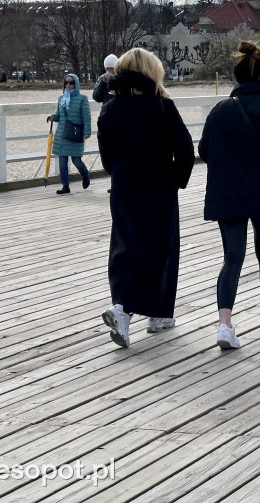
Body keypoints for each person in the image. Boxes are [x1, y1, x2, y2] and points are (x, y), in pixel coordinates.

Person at [199, 41, 260, 350]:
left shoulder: (220, 110)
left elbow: (203, 151)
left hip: (227, 193)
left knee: (232, 258)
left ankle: (225, 324)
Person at [97, 47, 195, 348]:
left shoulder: (110, 108)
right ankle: (158, 313)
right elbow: (186, 148)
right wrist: (177, 179)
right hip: (159, 186)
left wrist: (120, 173)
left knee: (125, 246)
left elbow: (106, 155)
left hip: (125, 186)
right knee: (161, 248)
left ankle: (122, 309)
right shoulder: (161, 106)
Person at [46, 73, 92, 194]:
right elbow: (59, 116)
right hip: (62, 133)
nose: (68, 85)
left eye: (71, 82)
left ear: (75, 84)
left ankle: (85, 175)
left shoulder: (82, 98)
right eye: (66, 82)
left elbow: (86, 116)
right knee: (62, 160)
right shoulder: (61, 98)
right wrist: (52, 117)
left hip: (75, 133)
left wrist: (87, 131)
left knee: (76, 160)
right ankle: (65, 186)